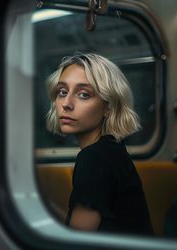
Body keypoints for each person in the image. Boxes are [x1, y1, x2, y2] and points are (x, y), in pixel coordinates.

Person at [46, 52, 154, 235]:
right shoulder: (112, 151)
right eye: (62, 92)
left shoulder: (94, 158)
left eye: (83, 94)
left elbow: (78, 241)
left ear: (108, 107)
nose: (66, 103)